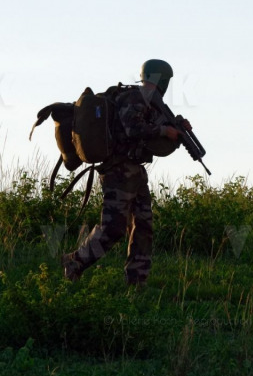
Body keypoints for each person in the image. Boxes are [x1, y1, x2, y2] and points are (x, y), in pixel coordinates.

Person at [61, 59, 191, 286]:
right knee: (113, 227)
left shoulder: (151, 103)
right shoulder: (134, 97)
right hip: (118, 171)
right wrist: (163, 129)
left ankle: (137, 282)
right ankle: (75, 262)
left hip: (135, 173)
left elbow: (156, 143)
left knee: (143, 227)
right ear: (161, 79)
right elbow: (133, 129)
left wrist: (177, 130)